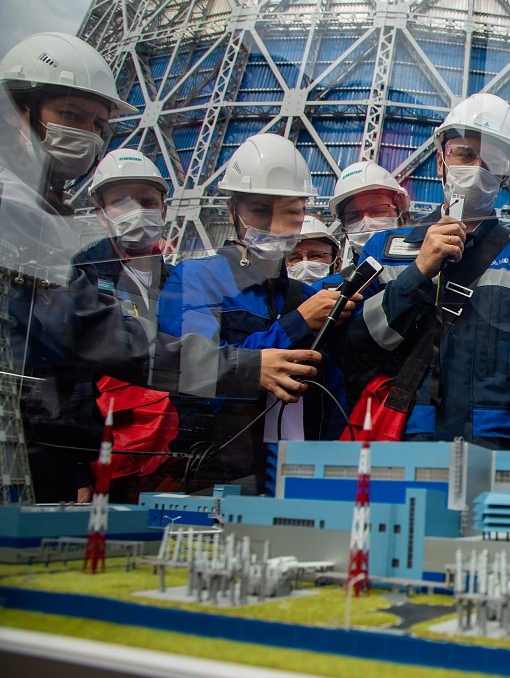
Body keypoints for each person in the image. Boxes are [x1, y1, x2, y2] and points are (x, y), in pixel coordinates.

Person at [0, 32, 318, 503]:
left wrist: (68, 460)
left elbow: (60, 359)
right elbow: (101, 336)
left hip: (45, 445)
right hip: (192, 463)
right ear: (14, 114)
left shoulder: (42, 215)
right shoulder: (14, 212)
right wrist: (252, 362)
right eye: (70, 116)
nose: (86, 136)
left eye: (97, 124)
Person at [350, 92, 510, 448]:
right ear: (440, 161)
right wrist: (418, 272)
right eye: (464, 154)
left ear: (504, 177)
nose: (476, 169)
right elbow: (354, 349)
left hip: (505, 455)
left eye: (492, 161)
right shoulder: (387, 252)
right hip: (407, 446)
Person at [157, 133, 352, 491]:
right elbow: (193, 376)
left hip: (302, 477)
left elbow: (332, 394)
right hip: (221, 475)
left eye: (291, 213)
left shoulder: (303, 295)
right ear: (232, 211)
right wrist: (296, 325)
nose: (276, 227)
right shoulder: (197, 279)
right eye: (261, 210)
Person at [78, 149, 178, 502]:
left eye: (147, 201)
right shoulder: (80, 273)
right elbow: (69, 377)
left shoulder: (179, 279)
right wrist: (77, 468)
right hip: (104, 452)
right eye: (121, 202)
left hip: (165, 456)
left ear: (164, 210)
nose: (137, 211)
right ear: (101, 215)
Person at [323, 159, 412, 288]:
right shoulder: (328, 291)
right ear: (344, 230)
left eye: (378, 211)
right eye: (353, 216)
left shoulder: (431, 273)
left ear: (403, 217)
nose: (366, 222)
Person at [287, 216, 340, 285]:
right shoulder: (271, 295)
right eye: (295, 258)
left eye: (315, 256)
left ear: (337, 264)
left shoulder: (353, 294)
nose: (305, 264)